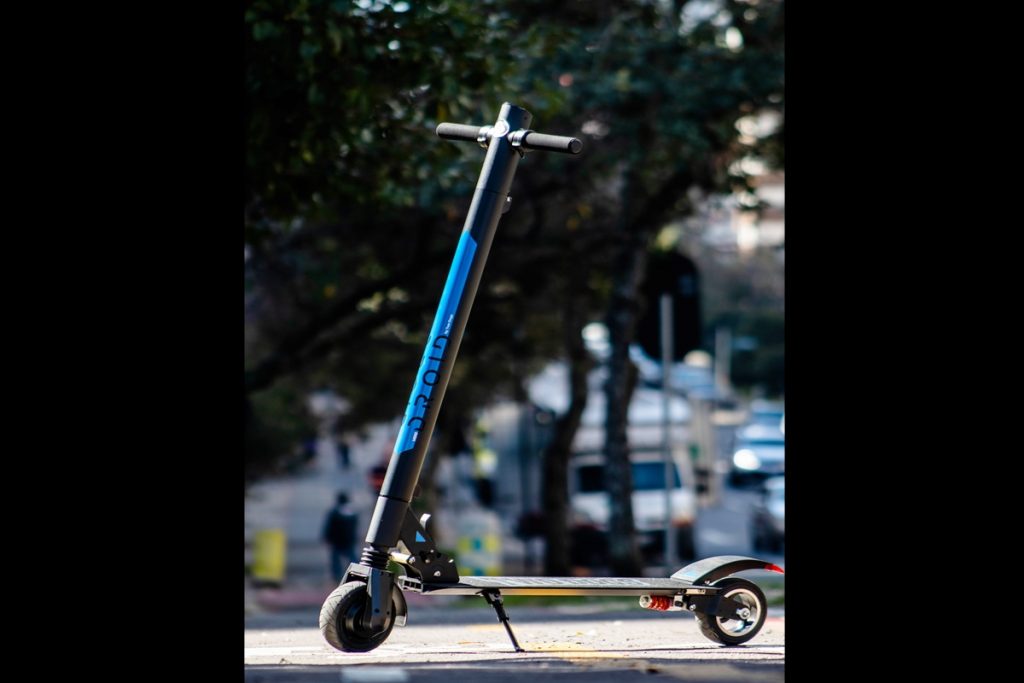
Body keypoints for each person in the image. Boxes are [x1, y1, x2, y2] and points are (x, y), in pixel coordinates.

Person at [321, 492, 359, 584]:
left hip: (337, 541)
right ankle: (356, 574)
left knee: (336, 561)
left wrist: (326, 537)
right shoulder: (352, 512)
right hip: (348, 540)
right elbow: (355, 526)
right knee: (352, 559)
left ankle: (337, 577)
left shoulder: (334, 512)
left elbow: (329, 526)